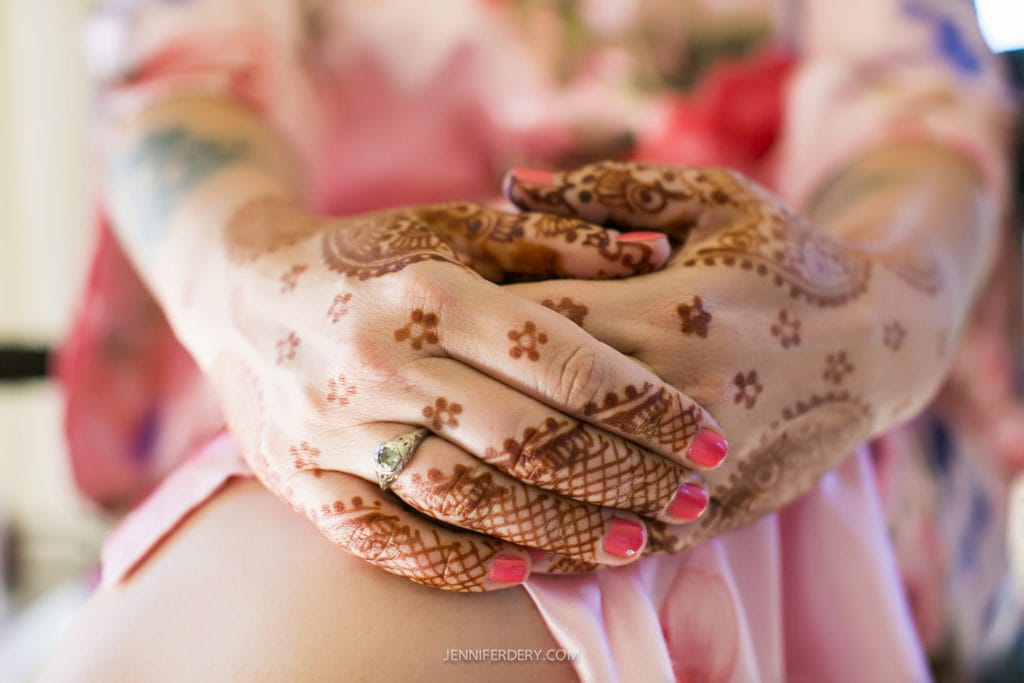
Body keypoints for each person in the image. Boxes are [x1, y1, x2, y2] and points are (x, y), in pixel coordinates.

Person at [43, 0, 1011, 680]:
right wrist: (260, 290)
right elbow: (184, 83)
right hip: (327, 359)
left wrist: (867, 312)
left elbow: (915, 113)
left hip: (777, 382)